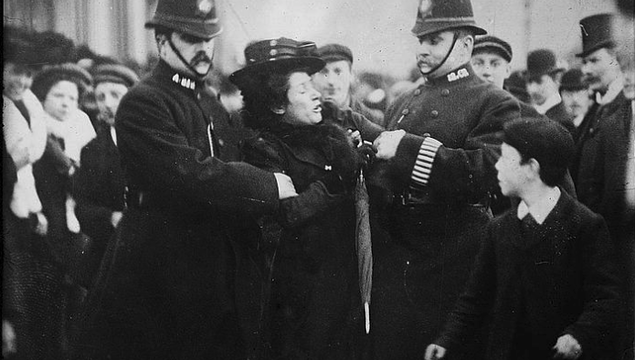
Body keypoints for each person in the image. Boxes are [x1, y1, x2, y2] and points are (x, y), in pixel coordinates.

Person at [76, 0, 298, 358]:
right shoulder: (143, 101)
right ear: (162, 42)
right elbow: (190, 173)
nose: (204, 48)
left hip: (208, 268)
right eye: (191, 38)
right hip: (156, 267)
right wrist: (267, 186)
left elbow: (231, 159)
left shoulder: (206, 99)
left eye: (209, 38)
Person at [366, 0, 521, 358]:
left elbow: (488, 172)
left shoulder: (493, 101)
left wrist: (406, 149)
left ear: (465, 44)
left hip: (453, 259)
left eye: (434, 40)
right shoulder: (403, 100)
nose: (423, 49)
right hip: (398, 255)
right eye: (420, 39)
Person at [231, 37, 382, 360]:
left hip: (342, 286)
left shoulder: (328, 134)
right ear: (276, 104)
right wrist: (337, 178)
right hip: (299, 298)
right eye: (303, 90)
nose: (317, 94)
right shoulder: (263, 150)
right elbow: (288, 212)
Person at [424, 117, 620, 360]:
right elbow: (475, 298)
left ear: (531, 168)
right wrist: (446, 340)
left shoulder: (584, 225)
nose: (497, 167)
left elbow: (605, 299)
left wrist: (578, 335)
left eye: (506, 159)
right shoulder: (498, 228)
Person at [73, 64, 139, 285]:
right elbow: (83, 206)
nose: (107, 104)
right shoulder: (92, 150)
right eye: (101, 97)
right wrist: (110, 217)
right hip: (109, 254)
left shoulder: (152, 143)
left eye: (115, 95)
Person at [573, 13, 627, 208]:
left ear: (616, 60)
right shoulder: (595, 109)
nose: (586, 70)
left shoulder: (627, 110)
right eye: (584, 62)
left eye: (594, 61)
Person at [313, 43, 385, 126]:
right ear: (313, 77)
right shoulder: (307, 120)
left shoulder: (375, 120)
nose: (331, 81)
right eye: (324, 72)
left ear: (351, 75)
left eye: (338, 72)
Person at [525, 49, 575, 133]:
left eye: (539, 81)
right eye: (529, 81)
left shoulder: (563, 121)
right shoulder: (530, 115)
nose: (533, 89)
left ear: (556, 79)